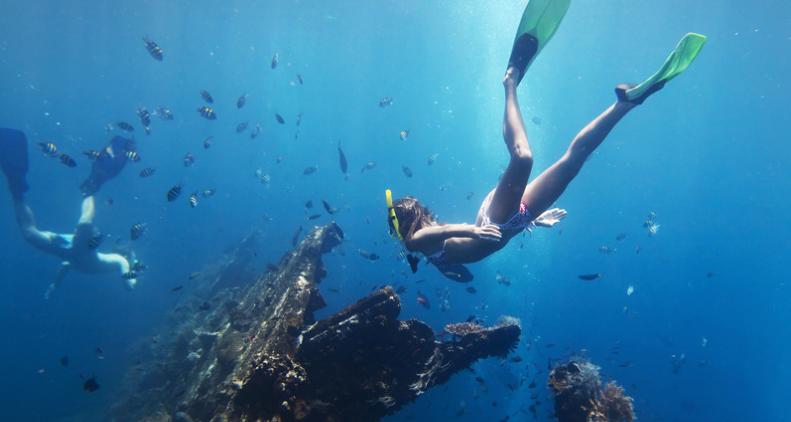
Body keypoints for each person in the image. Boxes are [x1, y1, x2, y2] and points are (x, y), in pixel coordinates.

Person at [386, 0, 706, 279]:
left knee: (523, 158)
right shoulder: (426, 252)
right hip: (515, 219)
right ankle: (625, 104)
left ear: (406, 223)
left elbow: (445, 231)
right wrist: (533, 222)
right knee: (573, 162)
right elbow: (462, 269)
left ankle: (510, 80)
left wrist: (474, 231)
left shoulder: (417, 240)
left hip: (494, 218)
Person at [0, 127, 137, 298]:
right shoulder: (107, 260)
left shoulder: (103, 260)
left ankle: (17, 187)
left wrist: (53, 286)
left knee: (30, 233)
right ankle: (92, 185)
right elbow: (127, 278)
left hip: (70, 249)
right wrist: (130, 280)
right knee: (82, 221)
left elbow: (65, 268)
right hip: (75, 250)